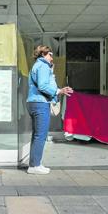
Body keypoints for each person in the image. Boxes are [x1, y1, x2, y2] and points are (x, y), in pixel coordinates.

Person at [26, 45, 73, 175]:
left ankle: (34, 164)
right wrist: (59, 91)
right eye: (50, 54)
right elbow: (42, 85)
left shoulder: (38, 66)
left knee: (37, 135)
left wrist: (51, 72)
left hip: (33, 102)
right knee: (40, 135)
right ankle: (35, 165)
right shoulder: (42, 66)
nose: (52, 56)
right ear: (43, 55)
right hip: (40, 103)